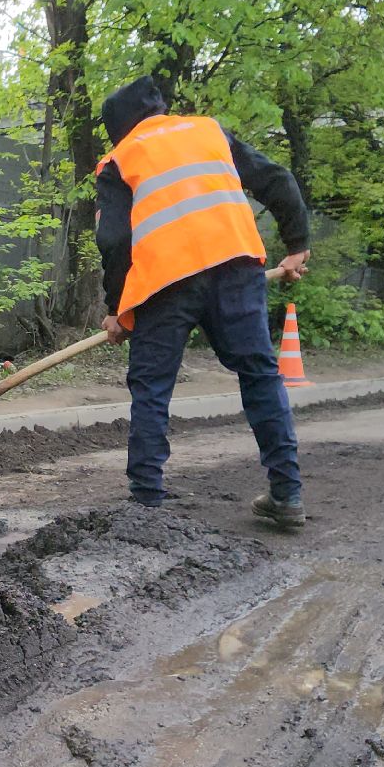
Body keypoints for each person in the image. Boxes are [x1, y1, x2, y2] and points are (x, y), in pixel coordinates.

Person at [94, 76, 312, 526]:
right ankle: (287, 494)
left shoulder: (119, 159)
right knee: (259, 373)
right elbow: (276, 178)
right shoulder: (210, 131)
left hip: (165, 281)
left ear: (119, 128)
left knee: (152, 388)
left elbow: (114, 238)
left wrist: (119, 310)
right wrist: (297, 245)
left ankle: (146, 499)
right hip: (236, 266)